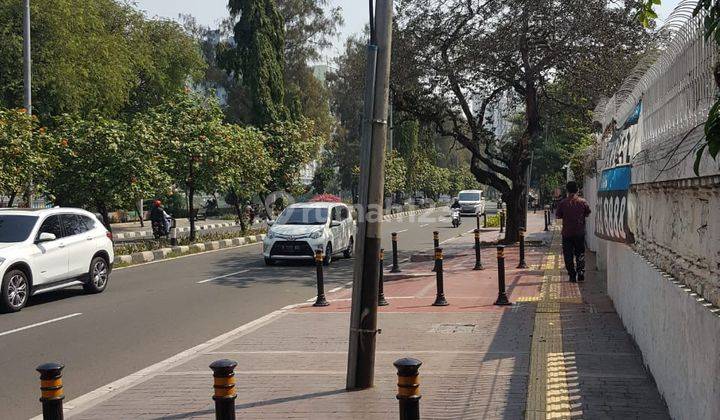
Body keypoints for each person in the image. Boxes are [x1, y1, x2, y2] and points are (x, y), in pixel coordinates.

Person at [555, 181, 591, 282]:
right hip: (579, 232)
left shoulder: (563, 203)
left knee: (568, 255)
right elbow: (588, 213)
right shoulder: (582, 202)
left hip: (567, 233)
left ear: (567, 190)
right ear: (577, 190)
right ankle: (580, 273)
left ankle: (572, 275)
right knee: (580, 253)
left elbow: (558, 216)